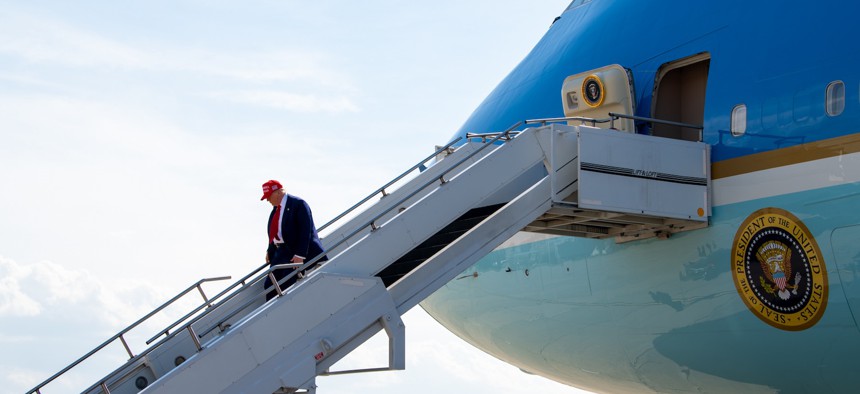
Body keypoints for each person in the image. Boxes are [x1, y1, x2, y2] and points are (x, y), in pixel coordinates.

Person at [260, 179, 327, 300]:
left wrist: (300, 254)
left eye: (269, 196)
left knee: (286, 282)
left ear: (278, 192)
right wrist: (269, 251)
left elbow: (305, 230)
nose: (268, 200)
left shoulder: (298, 204)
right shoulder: (275, 210)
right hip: (281, 253)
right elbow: (275, 233)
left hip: (296, 252)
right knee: (269, 286)